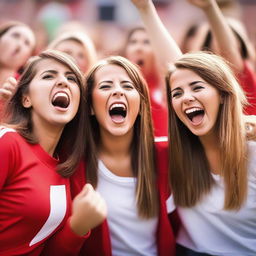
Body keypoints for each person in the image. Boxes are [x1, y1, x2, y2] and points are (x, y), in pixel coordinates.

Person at [0, 49, 106, 255]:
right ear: (26, 99)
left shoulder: (64, 166)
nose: (63, 82)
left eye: (72, 78)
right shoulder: (8, 142)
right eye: (48, 76)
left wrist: (78, 226)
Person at [70, 56, 176, 256]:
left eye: (127, 86)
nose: (118, 91)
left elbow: (181, 75)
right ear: (90, 106)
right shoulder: (71, 164)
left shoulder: (166, 156)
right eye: (105, 86)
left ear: (141, 103)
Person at [166, 51, 256, 256]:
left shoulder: (253, 152)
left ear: (223, 94)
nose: (186, 98)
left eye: (197, 88)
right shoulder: (173, 154)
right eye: (176, 93)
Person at [123, 26, 168, 139]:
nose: (139, 48)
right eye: (133, 42)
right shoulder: (118, 91)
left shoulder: (166, 89)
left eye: (146, 42)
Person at [0, 21, 36, 120]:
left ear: (28, 58)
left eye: (26, 43)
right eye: (15, 36)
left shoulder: (25, 91)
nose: (19, 45)